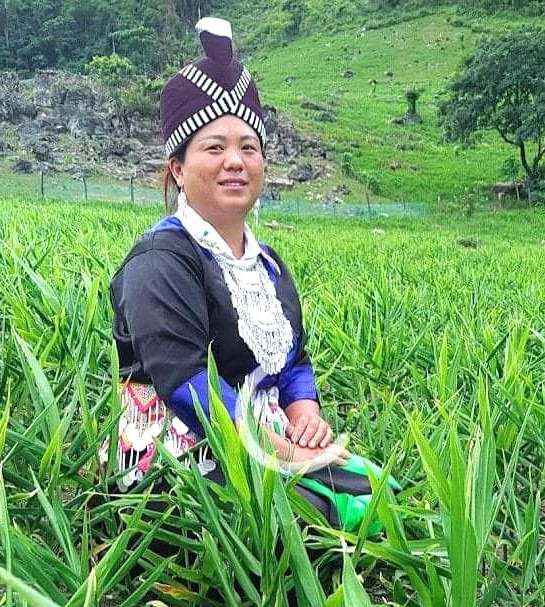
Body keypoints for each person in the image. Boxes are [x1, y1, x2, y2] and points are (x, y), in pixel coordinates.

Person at [101, 18, 395, 532]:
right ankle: (231, 604)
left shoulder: (269, 264)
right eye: (214, 148)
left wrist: (303, 415)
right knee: (307, 520)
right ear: (177, 168)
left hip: (264, 435)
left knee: (378, 492)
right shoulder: (161, 261)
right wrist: (284, 454)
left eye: (249, 148)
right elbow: (187, 386)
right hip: (183, 450)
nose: (235, 161)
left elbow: (292, 359)